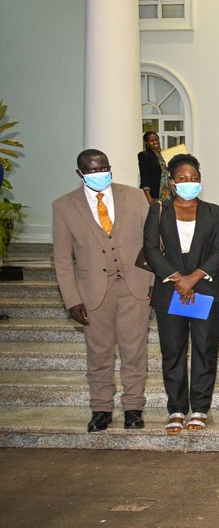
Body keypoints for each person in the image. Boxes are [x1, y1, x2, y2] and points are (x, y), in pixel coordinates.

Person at [52, 150, 154, 431]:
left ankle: (134, 407)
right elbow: (62, 259)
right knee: (99, 353)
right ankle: (101, 408)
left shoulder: (134, 197)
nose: (100, 174)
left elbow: (153, 242)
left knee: (135, 351)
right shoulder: (63, 207)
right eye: (93, 171)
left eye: (104, 168)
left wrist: (152, 283)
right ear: (80, 173)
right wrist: (72, 300)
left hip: (135, 287)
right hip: (93, 292)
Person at [142, 153, 219, 434]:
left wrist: (193, 279)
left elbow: (218, 250)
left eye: (194, 178)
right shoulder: (159, 210)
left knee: (204, 349)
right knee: (174, 351)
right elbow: (151, 249)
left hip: (203, 290)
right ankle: (177, 408)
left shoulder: (214, 212)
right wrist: (179, 279)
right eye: (183, 178)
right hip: (171, 291)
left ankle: (200, 408)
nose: (189, 182)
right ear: (172, 182)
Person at [137, 130, 171, 205]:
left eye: (156, 139)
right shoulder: (144, 155)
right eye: (151, 141)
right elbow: (144, 176)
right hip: (155, 195)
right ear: (147, 143)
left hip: (167, 193)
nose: (155, 142)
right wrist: (149, 198)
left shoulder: (163, 155)